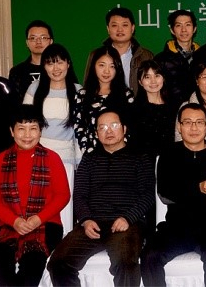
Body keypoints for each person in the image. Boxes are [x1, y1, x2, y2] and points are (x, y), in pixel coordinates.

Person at [47, 109, 155, 287]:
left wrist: (128, 218)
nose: (109, 131)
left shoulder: (140, 157)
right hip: (93, 223)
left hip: (126, 223)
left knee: (126, 264)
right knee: (58, 263)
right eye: (102, 127)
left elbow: (148, 193)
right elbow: (80, 195)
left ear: (124, 129)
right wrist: (86, 219)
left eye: (114, 125)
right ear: (97, 133)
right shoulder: (89, 159)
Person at [141, 103, 206, 287]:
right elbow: (165, 192)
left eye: (199, 122)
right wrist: (198, 187)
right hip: (176, 226)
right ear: (179, 126)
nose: (194, 128)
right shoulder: (168, 154)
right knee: (149, 256)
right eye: (188, 122)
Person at [0, 105, 70, 287]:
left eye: (33, 128)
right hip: (9, 225)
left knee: (32, 266)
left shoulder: (52, 158)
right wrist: (14, 220)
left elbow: (62, 195)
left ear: (40, 131)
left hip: (46, 225)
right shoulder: (0, 160)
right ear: (12, 131)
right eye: (21, 129)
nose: (27, 135)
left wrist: (38, 219)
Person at [23, 43, 82, 166]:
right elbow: (25, 125)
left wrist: (79, 163)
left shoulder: (78, 91)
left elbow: (80, 133)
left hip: (66, 161)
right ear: (44, 66)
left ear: (68, 64)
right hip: (38, 158)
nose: (55, 68)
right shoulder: (34, 89)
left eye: (60, 62)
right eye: (50, 63)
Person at [75, 46, 135, 154]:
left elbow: (130, 128)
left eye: (112, 66)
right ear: (94, 66)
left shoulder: (126, 95)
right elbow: (80, 129)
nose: (107, 71)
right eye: (102, 65)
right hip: (92, 159)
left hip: (122, 158)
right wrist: (91, 155)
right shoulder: (82, 95)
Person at [84, 6, 153, 92]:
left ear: (132, 28)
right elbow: (88, 84)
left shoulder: (146, 56)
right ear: (108, 29)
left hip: (137, 104)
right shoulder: (96, 55)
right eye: (114, 25)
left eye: (124, 25)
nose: (120, 29)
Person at [129, 60, 175, 160]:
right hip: (144, 164)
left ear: (163, 78)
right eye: (147, 77)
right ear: (140, 82)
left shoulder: (174, 106)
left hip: (170, 161)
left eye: (157, 75)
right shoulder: (134, 110)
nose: (153, 81)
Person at [154, 9, 200, 104]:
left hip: (198, 111)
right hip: (170, 112)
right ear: (172, 30)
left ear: (194, 28)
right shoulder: (160, 60)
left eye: (188, 25)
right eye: (178, 25)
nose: (183, 30)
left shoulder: (203, 56)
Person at [9, 20, 53, 99]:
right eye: (33, 38)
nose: (38, 41)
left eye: (43, 37)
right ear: (27, 43)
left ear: (51, 41)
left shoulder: (59, 69)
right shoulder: (17, 72)